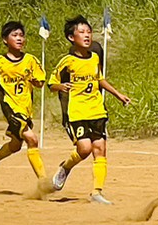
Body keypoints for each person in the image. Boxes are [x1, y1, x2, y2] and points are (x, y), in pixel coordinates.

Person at [47, 15, 132, 204]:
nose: (87, 35)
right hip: (77, 112)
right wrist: (61, 87)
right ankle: (65, 167)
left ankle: (96, 192)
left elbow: (99, 79)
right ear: (71, 37)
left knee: (100, 148)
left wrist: (118, 95)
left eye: (89, 31)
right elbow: (51, 83)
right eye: (82, 32)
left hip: (97, 110)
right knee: (84, 149)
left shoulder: (94, 58)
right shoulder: (67, 61)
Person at [0, 21, 47, 183]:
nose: (19, 39)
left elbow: (40, 82)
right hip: (10, 108)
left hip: (25, 110)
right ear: (5, 40)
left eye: (21, 35)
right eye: (14, 35)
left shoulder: (30, 60)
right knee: (32, 139)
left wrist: (35, 81)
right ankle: (43, 181)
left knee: (16, 146)